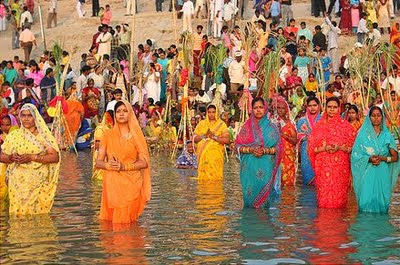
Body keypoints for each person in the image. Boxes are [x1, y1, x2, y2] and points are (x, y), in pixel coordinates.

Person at [96, 100, 151, 224]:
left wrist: (124, 166)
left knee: (129, 224)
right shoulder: (107, 135)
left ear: (130, 114)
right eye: (118, 111)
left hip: (132, 183)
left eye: (125, 111)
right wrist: (108, 165)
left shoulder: (136, 136)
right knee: (113, 224)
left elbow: (144, 162)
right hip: (113, 183)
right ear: (114, 115)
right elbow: (98, 162)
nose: (121, 114)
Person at [0, 104, 60, 215]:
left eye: (29, 115)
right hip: (17, 184)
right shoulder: (14, 135)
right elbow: (2, 156)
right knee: (17, 217)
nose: (26, 118)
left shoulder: (43, 136)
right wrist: (10, 157)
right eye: (23, 115)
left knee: (37, 216)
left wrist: (32, 157)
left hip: (37, 184)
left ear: (35, 117)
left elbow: (54, 157)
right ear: (19, 117)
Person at [308, 97, 356, 208]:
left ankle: (338, 224)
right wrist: (325, 148)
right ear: (325, 108)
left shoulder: (346, 127)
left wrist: (339, 147)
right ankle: (324, 223)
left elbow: (352, 148)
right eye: (329, 107)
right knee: (324, 199)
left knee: (339, 200)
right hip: (323, 168)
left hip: (340, 168)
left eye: (335, 107)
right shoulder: (319, 126)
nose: (332, 110)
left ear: (339, 109)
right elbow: (312, 149)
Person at [235, 97, 282, 208]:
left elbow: (279, 148)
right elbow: (237, 146)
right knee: (249, 200)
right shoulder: (246, 127)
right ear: (252, 109)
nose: (258, 110)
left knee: (264, 203)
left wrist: (265, 150)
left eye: (261, 107)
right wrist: (252, 150)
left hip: (266, 167)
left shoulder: (273, 128)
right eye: (255, 108)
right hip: (249, 168)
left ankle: (263, 222)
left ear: (265, 108)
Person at [352, 106, 399, 213]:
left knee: (381, 204)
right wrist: (368, 159)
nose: (376, 118)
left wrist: (383, 158)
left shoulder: (388, 136)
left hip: (382, 173)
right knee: (365, 202)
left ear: (382, 118)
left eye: (378, 115)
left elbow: (395, 158)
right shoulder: (362, 136)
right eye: (373, 116)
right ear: (369, 118)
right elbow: (355, 155)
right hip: (367, 172)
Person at [193, 104, 229, 181]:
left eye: (213, 112)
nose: (211, 114)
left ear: (217, 113)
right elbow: (194, 138)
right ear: (206, 113)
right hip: (203, 155)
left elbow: (227, 140)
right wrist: (204, 136)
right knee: (203, 179)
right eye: (209, 112)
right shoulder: (202, 123)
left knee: (216, 180)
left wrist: (214, 137)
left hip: (215, 156)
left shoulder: (221, 124)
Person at [296, 96, 321, 185]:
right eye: (310, 105)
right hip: (306, 152)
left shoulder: (323, 120)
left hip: (320, 152)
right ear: (307, 107)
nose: (312, 107)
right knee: (307, 176)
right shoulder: (301, 121)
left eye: (315, 105)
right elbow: (299, 136)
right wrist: (310, 137)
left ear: (319, 106)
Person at [273, 96, 297, 186]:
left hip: (288, 156)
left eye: (283, 108)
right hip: (276, 154)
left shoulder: (291, 122)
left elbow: (295, 141)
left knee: (288, 181)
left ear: (286, 110)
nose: (280, 110)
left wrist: (283, 135)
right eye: (278, 108)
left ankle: (288, 199)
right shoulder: (272, 122)